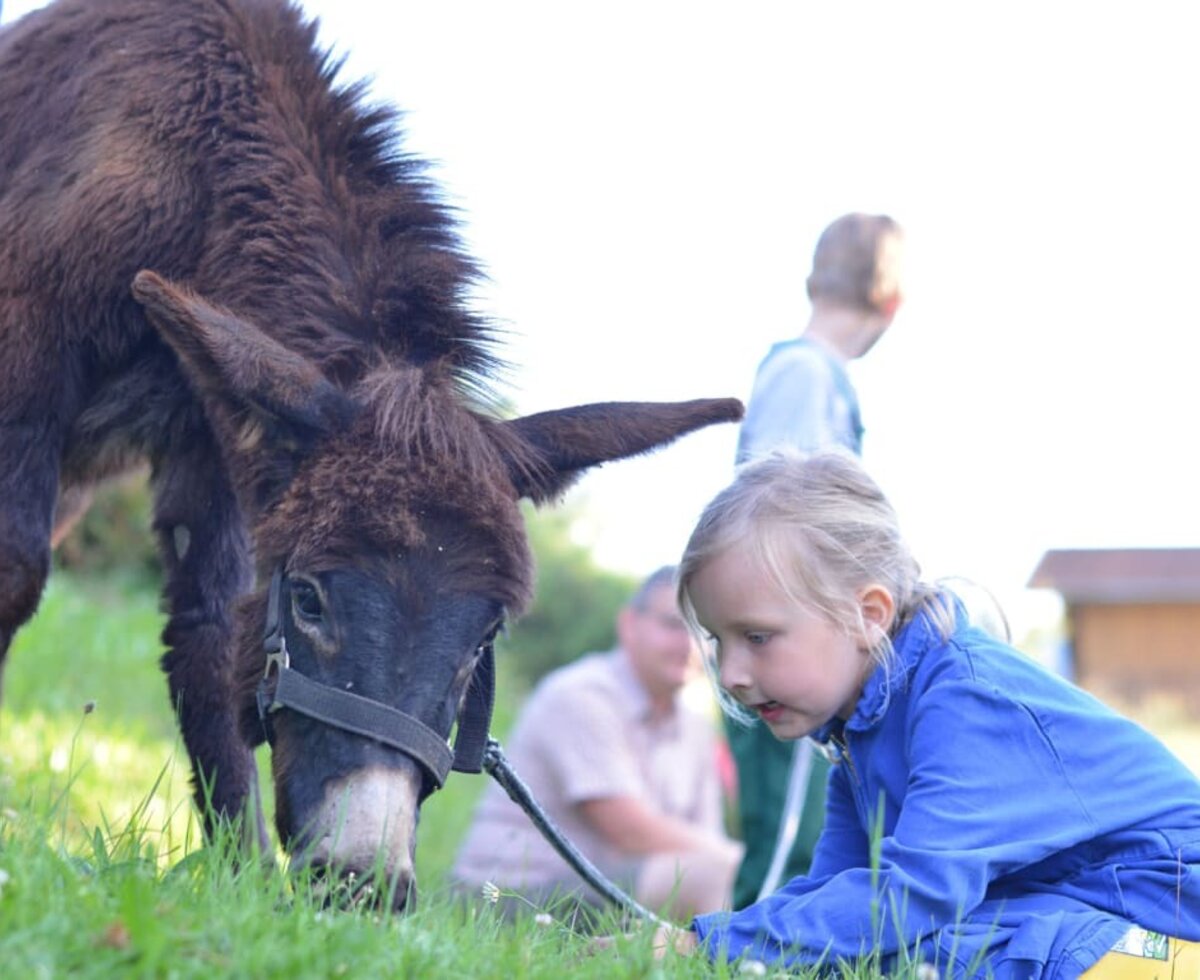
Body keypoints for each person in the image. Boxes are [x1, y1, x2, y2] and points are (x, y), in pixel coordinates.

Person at [655, 451, 1200, 977]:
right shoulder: (857, 736)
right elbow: (837, 894)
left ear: (868, 615)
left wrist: (707, 945)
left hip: (1169, 904)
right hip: (1090, 907)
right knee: (857, 950)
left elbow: (914, 894)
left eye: (756, 636)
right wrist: (710, 940)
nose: (730, 675)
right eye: (718, 641)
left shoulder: (964, 701)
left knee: (939, 945)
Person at [729, 212, 905, 909]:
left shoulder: (816, 375)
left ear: (815, 280)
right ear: (891, 303)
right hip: (785, 633)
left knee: (813, 826)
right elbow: (779, 507)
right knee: (788, 830)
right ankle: (740, 949)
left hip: (802, 634)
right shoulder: (807, 375)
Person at [450, 566, 742, 924]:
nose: (689, 645)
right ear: (629, 625)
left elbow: (705, 839)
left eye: (703, 634)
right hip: (503, 897)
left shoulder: (696, 728)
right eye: (672, 625)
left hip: (609, 888)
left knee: (719, 873)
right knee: (713, 875)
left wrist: (729, 861)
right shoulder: (581, 695)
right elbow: (628, 830)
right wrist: (735, 861)